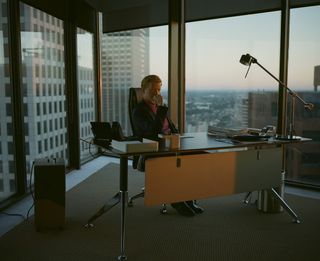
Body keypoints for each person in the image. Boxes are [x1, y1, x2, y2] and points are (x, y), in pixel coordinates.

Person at [132, 74, 204, 217]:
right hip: (153, 150)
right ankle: (176, 200)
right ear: (143, 90)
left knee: (196, 156)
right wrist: (161, 109)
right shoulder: (139, 111)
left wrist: (178, 136)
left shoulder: (158, 108)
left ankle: (189, 198)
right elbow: (152, 133)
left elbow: (170, 128)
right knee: (177, 162)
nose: (157, 94)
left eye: (159, 90)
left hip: (169, 145)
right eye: (153, 90)